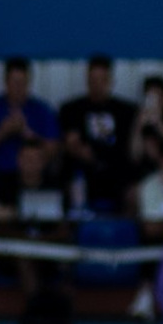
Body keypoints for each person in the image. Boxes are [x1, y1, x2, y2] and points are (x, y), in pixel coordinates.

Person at [0, 58, 58, 194]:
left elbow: (53, 151)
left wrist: (28, 133)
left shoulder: (41, 110)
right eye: (15, 82)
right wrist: (2, 132)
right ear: (5, 82)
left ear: (29, 82)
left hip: (33, 179)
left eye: (22, 83)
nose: (18, 88)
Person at [56, 55, 133, 215]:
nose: (97, 85)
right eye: (93, 79)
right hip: (82, 174)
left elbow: (127, 148)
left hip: (116, 175)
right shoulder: (71, 109)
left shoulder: (126, 111)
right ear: (87, 80)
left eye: (102, 80)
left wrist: (97, 157)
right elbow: (70, 145)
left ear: (110, 80)